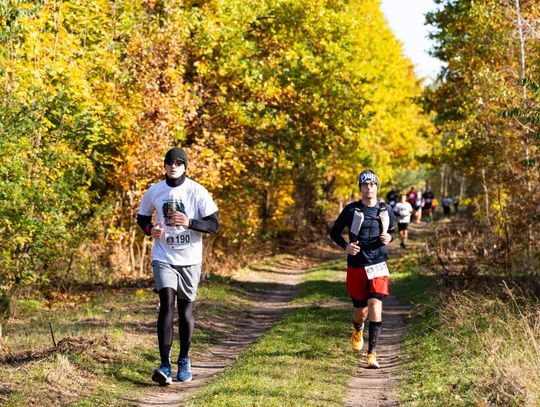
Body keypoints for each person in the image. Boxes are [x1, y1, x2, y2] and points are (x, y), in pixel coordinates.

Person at [137, 147, 219, 385]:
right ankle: (165, 365)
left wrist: (189, 222)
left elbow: (213, 225)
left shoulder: (196, 190)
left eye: (178, 163)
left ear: (185, 166)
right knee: (166, 303)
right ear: (164, 165)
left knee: (185, 311)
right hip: (164, 257)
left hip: (190, 259)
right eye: (170, 162)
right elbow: (142, 218)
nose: (173, 166)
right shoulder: (155, 191)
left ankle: (184, 359)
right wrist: (151, 230)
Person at [330, 169, 395, 369]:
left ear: (377, 187)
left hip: (378, 264)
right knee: (361, 312)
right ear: (360, 188)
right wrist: (346, 246)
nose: (369, 188)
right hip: (357, 265)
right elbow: (334, 232)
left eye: (372, 184)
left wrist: (390, 237)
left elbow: (393, 231)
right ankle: (358, 329)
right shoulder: (351, 210)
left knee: (375, 305)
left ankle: (372, 354)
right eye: (365, 184)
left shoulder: (386, 210)